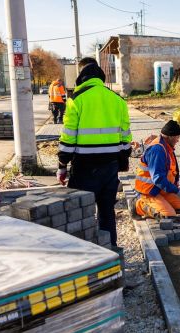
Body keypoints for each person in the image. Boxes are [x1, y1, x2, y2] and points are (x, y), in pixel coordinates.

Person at [57, 57, 132, 247]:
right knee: (107, 212)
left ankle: (88, 257)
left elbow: (68, 138)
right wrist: (122, 162)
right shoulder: (118, 100)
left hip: (84, 168)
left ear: (81, 76)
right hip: (110, 167)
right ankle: (111, 252)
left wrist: (62, 166)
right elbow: (125, 138)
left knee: (82, 213)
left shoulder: (76, 100)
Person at [132, 120, 180, 219]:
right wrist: (177, 191)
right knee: (168, 214)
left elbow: (172, 171)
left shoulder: (167, 146)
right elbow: (158, 178)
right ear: (170, 137)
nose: (178, 140)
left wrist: (177, 188)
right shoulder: (157, 150)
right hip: (148, 191)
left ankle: (162, 202)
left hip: (160, 189)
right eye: (177, 137)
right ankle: (138, 205)